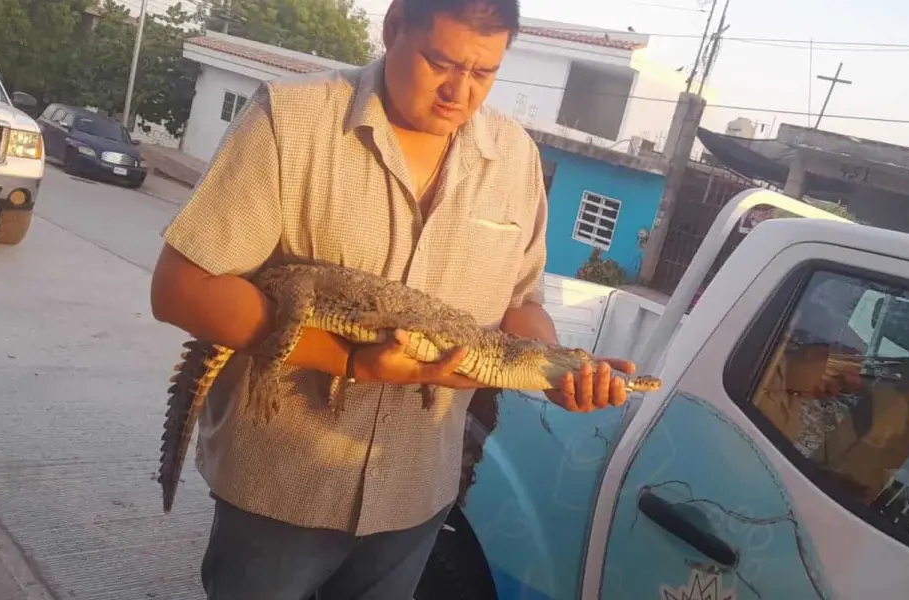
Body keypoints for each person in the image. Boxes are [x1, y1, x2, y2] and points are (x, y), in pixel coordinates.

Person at [148, 0, 635, 598]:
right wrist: (348, 361)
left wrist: (557, 370)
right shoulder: (290, 120)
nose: (460, 91)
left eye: (484, 73)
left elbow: (520, 306)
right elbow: (180, 289)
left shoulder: (517, 160)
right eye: (440, 62)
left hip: (414, 491)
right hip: (279, 487)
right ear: (394, 24)